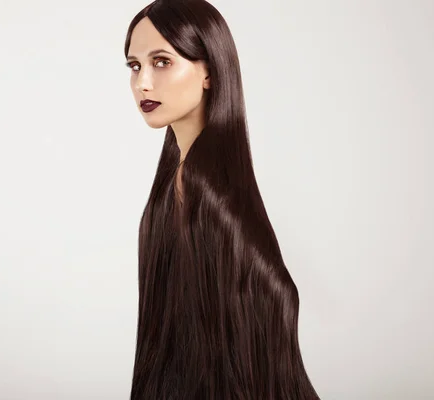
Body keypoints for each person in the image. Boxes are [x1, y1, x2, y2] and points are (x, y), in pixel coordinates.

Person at [124, 0, 321, 398]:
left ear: (209, 72)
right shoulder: (179, 179)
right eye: (134, 65)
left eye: (161, 62)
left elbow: (267, 305)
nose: (143, 82)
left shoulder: (202, 188)